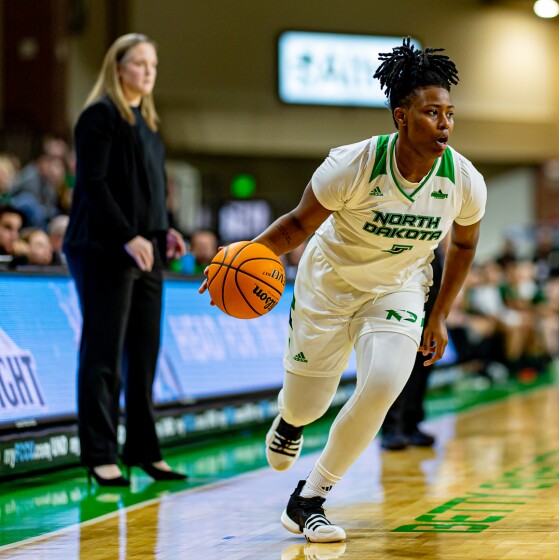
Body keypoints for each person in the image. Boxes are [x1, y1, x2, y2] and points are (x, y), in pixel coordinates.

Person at [200, 38, 485, 542]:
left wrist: (439, 315)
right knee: (310, 402)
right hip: (329, 286)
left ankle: (311, 498)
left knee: (383, 385)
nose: (444, 124)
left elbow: (462, 246)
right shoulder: (351, 165)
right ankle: (291, 420)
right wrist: (241, 258)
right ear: (401, 117)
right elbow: (295, 226)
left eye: (449, 114)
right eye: (431, 113)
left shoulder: (463, 179)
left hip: (397, 290)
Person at [63, 33, 187, 487]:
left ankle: (143, 449)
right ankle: (99, 453)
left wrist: (164, 227)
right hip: (102, 247)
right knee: (103, 354)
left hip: (145, 246)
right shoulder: (99, 117)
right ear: (118, 68)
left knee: (144, 354)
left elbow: (151, 189)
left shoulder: (149, 123)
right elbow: (93, 185)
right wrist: (127, 236)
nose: (149, 71)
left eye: (153, 64)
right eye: (140, 64)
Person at [379, 244, 444, 450]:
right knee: (397, 372)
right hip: (399, 311)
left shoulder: (438, 249)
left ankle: (412, 424)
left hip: (429, 313)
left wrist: (438, 318)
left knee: (422, 369)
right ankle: (391, 429)